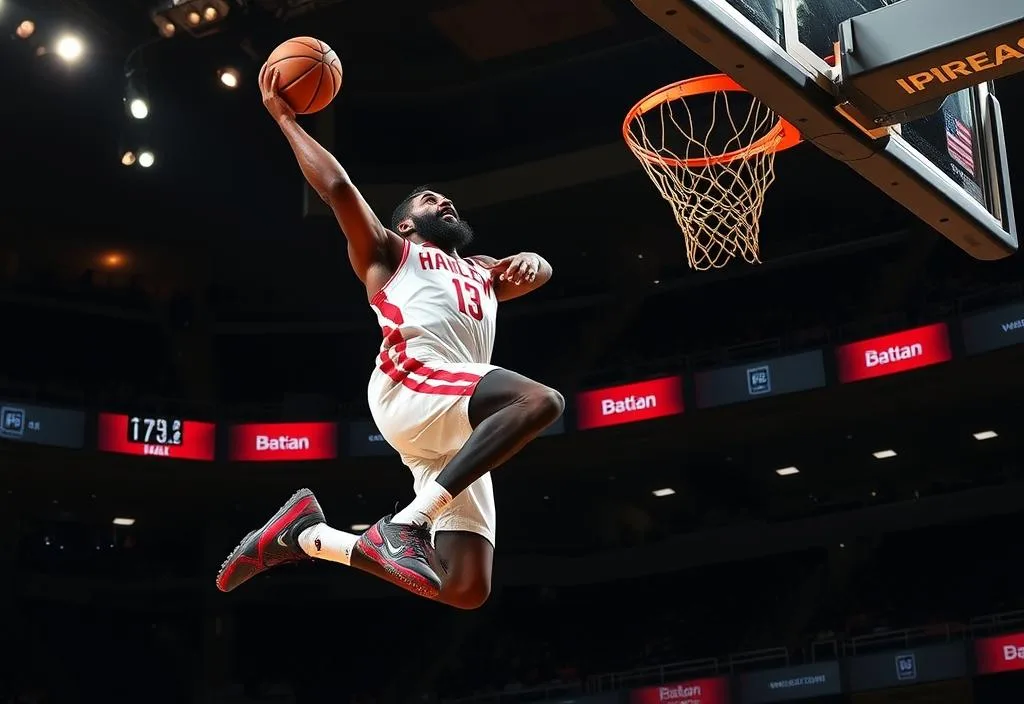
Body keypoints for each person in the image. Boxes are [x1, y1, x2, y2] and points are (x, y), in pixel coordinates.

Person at [215, 64, 564, 609]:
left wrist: (534, 260)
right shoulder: (389, 253)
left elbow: (536, 274)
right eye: (429, 200)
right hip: (412, 382)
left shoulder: (481, 268)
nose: (444, 202)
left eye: (446, 199)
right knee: (539, 400)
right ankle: (406, 524)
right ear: (404, 224)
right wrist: (284, 116)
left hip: (451, 424)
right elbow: (336, 188)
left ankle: (307, 536)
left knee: (466, 589)